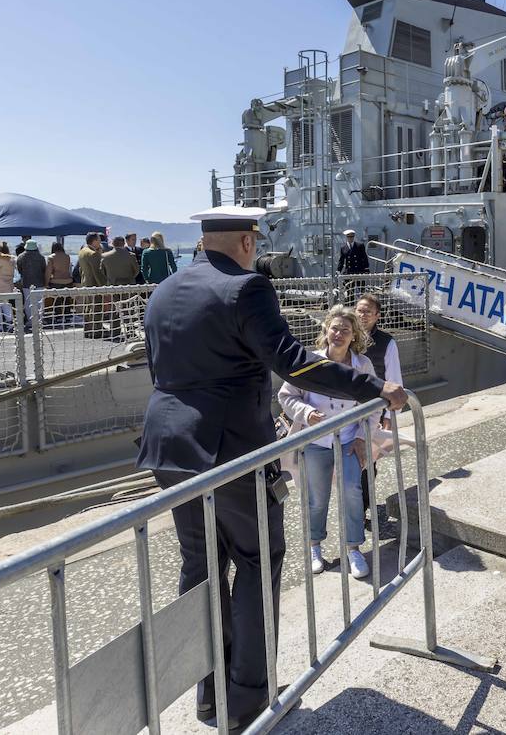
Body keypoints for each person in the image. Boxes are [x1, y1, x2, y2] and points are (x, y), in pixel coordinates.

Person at [137, 206, 407, 730]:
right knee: (259, 560)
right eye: (254, 242)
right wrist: (376, 388)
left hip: (167, 448)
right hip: (230, 449)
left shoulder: (165, 289)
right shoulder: (248, 288)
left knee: (201, 570)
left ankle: (209, 698)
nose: (255, 250)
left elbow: (158, 364)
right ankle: (250, 705)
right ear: (244, 242)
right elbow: (293, 362)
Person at [278, 305, 378, 580]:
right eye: (335, 328)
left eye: (346, 330)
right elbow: (286, 396)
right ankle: (314, 547)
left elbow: (374, 405)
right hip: (316, 442)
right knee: (316, 498)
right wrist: (307, 413)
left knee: (351, 491)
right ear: (326, 330)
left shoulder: (363, 365)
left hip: (348, 440)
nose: (339, 333)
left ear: (353, 335)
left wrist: (361, 437)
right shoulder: (310, 362)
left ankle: (353, 547)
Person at [355, 293, 403, 523]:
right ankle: (354, 507)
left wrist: (390, 414)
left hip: (373, 410)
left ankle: (362, 508)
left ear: (377, 316)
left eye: (367, 311)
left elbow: (394, 377)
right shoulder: (347, 336)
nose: (362, 315)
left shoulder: (386, 342)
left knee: (367, 461)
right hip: (346, 408)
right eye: (359, 310)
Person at [77, 232, 108, 339]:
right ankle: (97, 331)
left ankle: (88, 330)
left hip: (86, 282)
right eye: (99, 240)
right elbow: (98, 272)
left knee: (87, 307)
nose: (100, 242)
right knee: (96, 308)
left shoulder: (82, 251)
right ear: (94, 241)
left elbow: (81, 269)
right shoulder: (93, 254)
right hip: (94, 284)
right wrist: (104, 286)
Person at [15, 239, 47, 329]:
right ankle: (40, 319)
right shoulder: (41, 257)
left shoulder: (21, 257)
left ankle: (30, 320)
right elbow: (44, 269)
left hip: (26, 282)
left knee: (28, 302)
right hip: (40, 281)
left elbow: (19, 270)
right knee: (40, 301)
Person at [44, 241, 74, 326]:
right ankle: (68, 316)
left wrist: (46, 283)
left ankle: (59, 317)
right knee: (67, 299)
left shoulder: (51, 257)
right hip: (68, 281)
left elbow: (48, 272)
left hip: (56, 282)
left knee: (57, 300)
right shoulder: (67, 256)